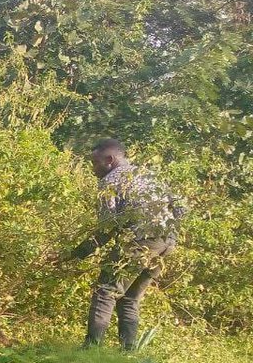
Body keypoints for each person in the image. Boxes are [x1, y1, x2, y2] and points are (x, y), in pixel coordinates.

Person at [68, 138, 183, 350]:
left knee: (106, 291)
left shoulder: (110, 181)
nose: (93, 169)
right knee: (129, 298)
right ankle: (128, 351)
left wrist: (74, 254)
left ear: (109, 160)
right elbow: (180, 208)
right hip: (167, 241)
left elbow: (106, 228)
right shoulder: (148, 174)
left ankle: (91, 349)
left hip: (140, 239)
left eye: (95, 163)